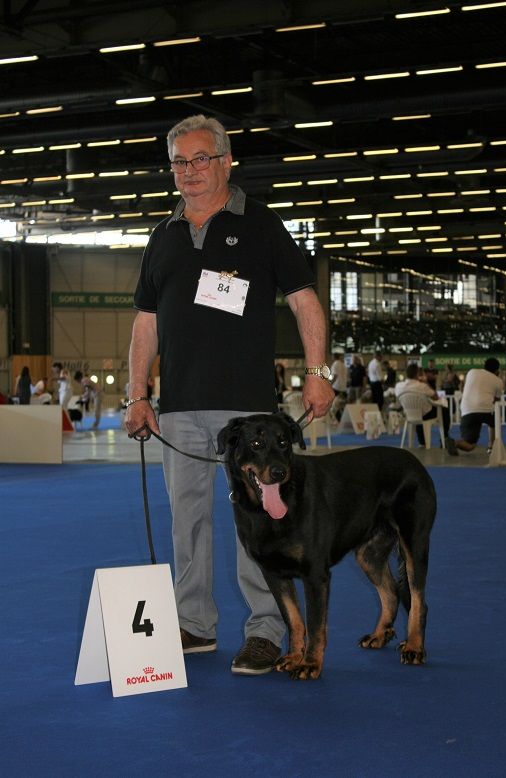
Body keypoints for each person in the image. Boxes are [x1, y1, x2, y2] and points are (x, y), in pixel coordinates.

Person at [125, 114, 334, 676]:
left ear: (226, 161)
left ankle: (266, 630)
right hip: (178, 408)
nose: (189, 171)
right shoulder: (162, 235)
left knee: (259, 522)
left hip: (249, 410)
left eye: (200, 159)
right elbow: (145, 321)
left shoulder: (261, 224)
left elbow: (305, 300)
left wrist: (318, 371)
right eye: (179, 162)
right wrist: (137, 394)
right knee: (186, 520)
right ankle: (193, 622)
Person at [446, 357, 503, 456]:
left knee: (470, 445)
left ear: (484, 366)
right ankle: (491, 447)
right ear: (497, 370)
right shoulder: (498, 381)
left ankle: (455, 442)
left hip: (467, 409)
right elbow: (496, 401)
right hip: (486, 410)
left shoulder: (472, 372)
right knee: (495, 421)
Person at [395, 363, 452, 446]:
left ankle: (422, 442)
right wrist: (426, 382)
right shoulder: (422, 386)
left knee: (419, 410)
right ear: (417, 374)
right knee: (444, 410)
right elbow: (435, 396)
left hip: (408, 414)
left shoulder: (398, 386)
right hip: (424, 414)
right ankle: (444, 438)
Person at [330, 350, 348, 421]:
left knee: (335, 405)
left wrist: (330, 384)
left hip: (336, 387)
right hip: (343, 387)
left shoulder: (335, 364)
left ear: (334, 357)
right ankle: (343, 418)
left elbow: (335, 376)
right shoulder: (343, 364)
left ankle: (336, 419)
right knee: (342, 404)